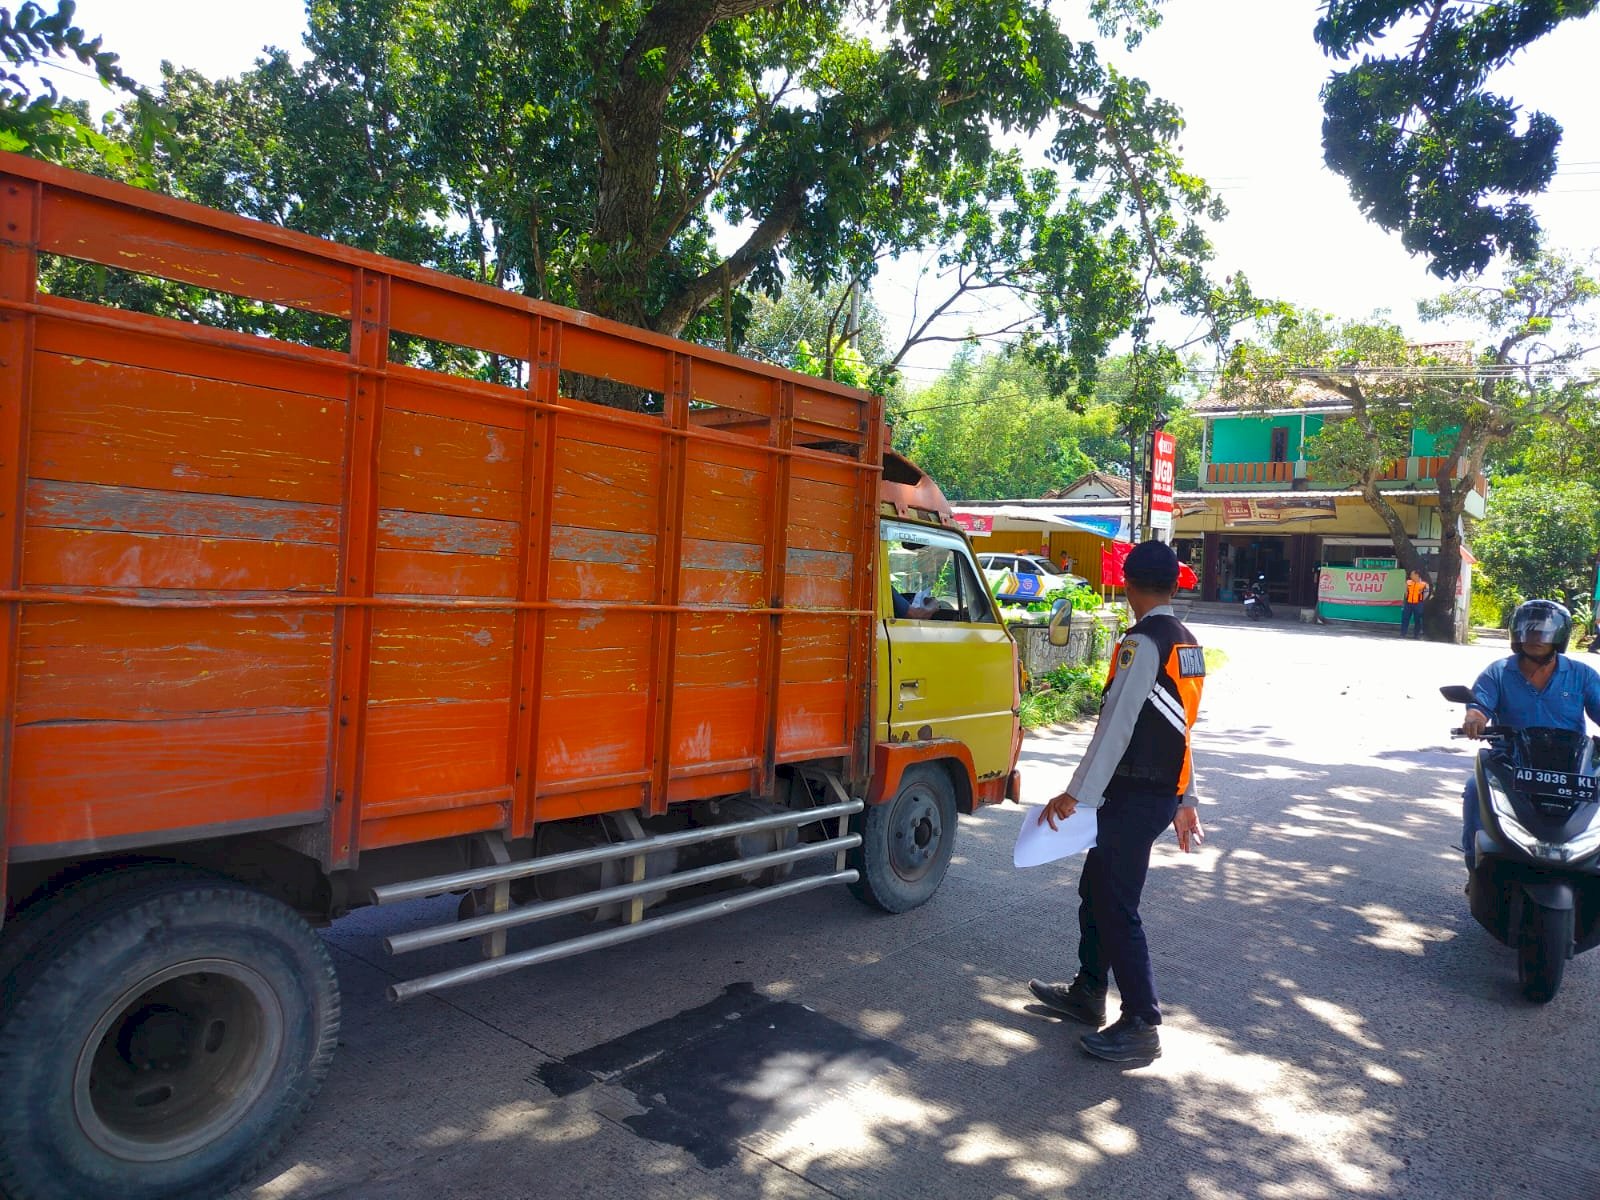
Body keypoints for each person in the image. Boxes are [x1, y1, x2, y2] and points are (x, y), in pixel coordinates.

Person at [1026, 540, 1207, 1062]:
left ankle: (1142, 1022)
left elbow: (1116, 726)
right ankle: (1087, 992)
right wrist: (1185, 796)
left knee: (1116, 904)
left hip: (1133, 795)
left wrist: (1075, 794)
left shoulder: (1143, 642)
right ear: (1174, 585)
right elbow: (1183, 730)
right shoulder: (1187, 642)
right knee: (1097, 889)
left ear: (1128, 584)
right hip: (1156, 793)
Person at [1460, 600, 1600, 873]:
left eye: (1543, 631)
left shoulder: (1581, 675)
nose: (1535, 637)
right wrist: (1474, 719)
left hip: (1571, 765)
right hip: (1511, 761)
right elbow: (1479, 707)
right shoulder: (1498, 671)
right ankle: (1476, 867)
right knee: (1475, 791)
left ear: (1558, 636)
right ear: (1517, 633)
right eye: (1529, 630)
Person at [1400, 569, 1429, 639]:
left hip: (1418, 604)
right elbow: (1405, 593)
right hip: (1408, 603)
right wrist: (1404, 603)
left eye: (1412, 574)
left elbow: (1426, 594)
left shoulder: (1424, 584)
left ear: (1417, 575)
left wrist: (1420, 601)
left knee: (1417, 619)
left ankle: (1416, 635)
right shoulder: (1408, 582)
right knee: (1405, 618)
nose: (1410, 576)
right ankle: (1403, 634)